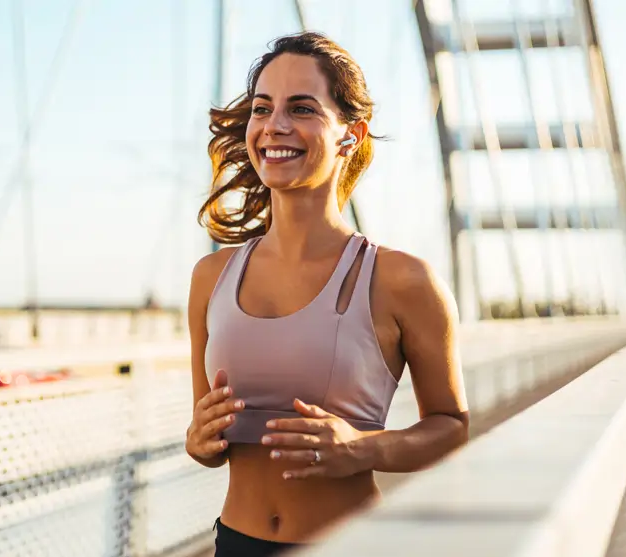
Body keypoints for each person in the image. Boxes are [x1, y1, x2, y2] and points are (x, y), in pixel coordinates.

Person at [184, 31, 469, 557]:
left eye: (301, 108)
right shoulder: (211, 277)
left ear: (350, 136)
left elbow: (450, 427)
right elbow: (209, 445)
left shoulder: (402, 280)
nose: (275, 125)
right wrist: (197, 440)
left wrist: (363, 448)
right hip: (235, 544)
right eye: (263, 108)